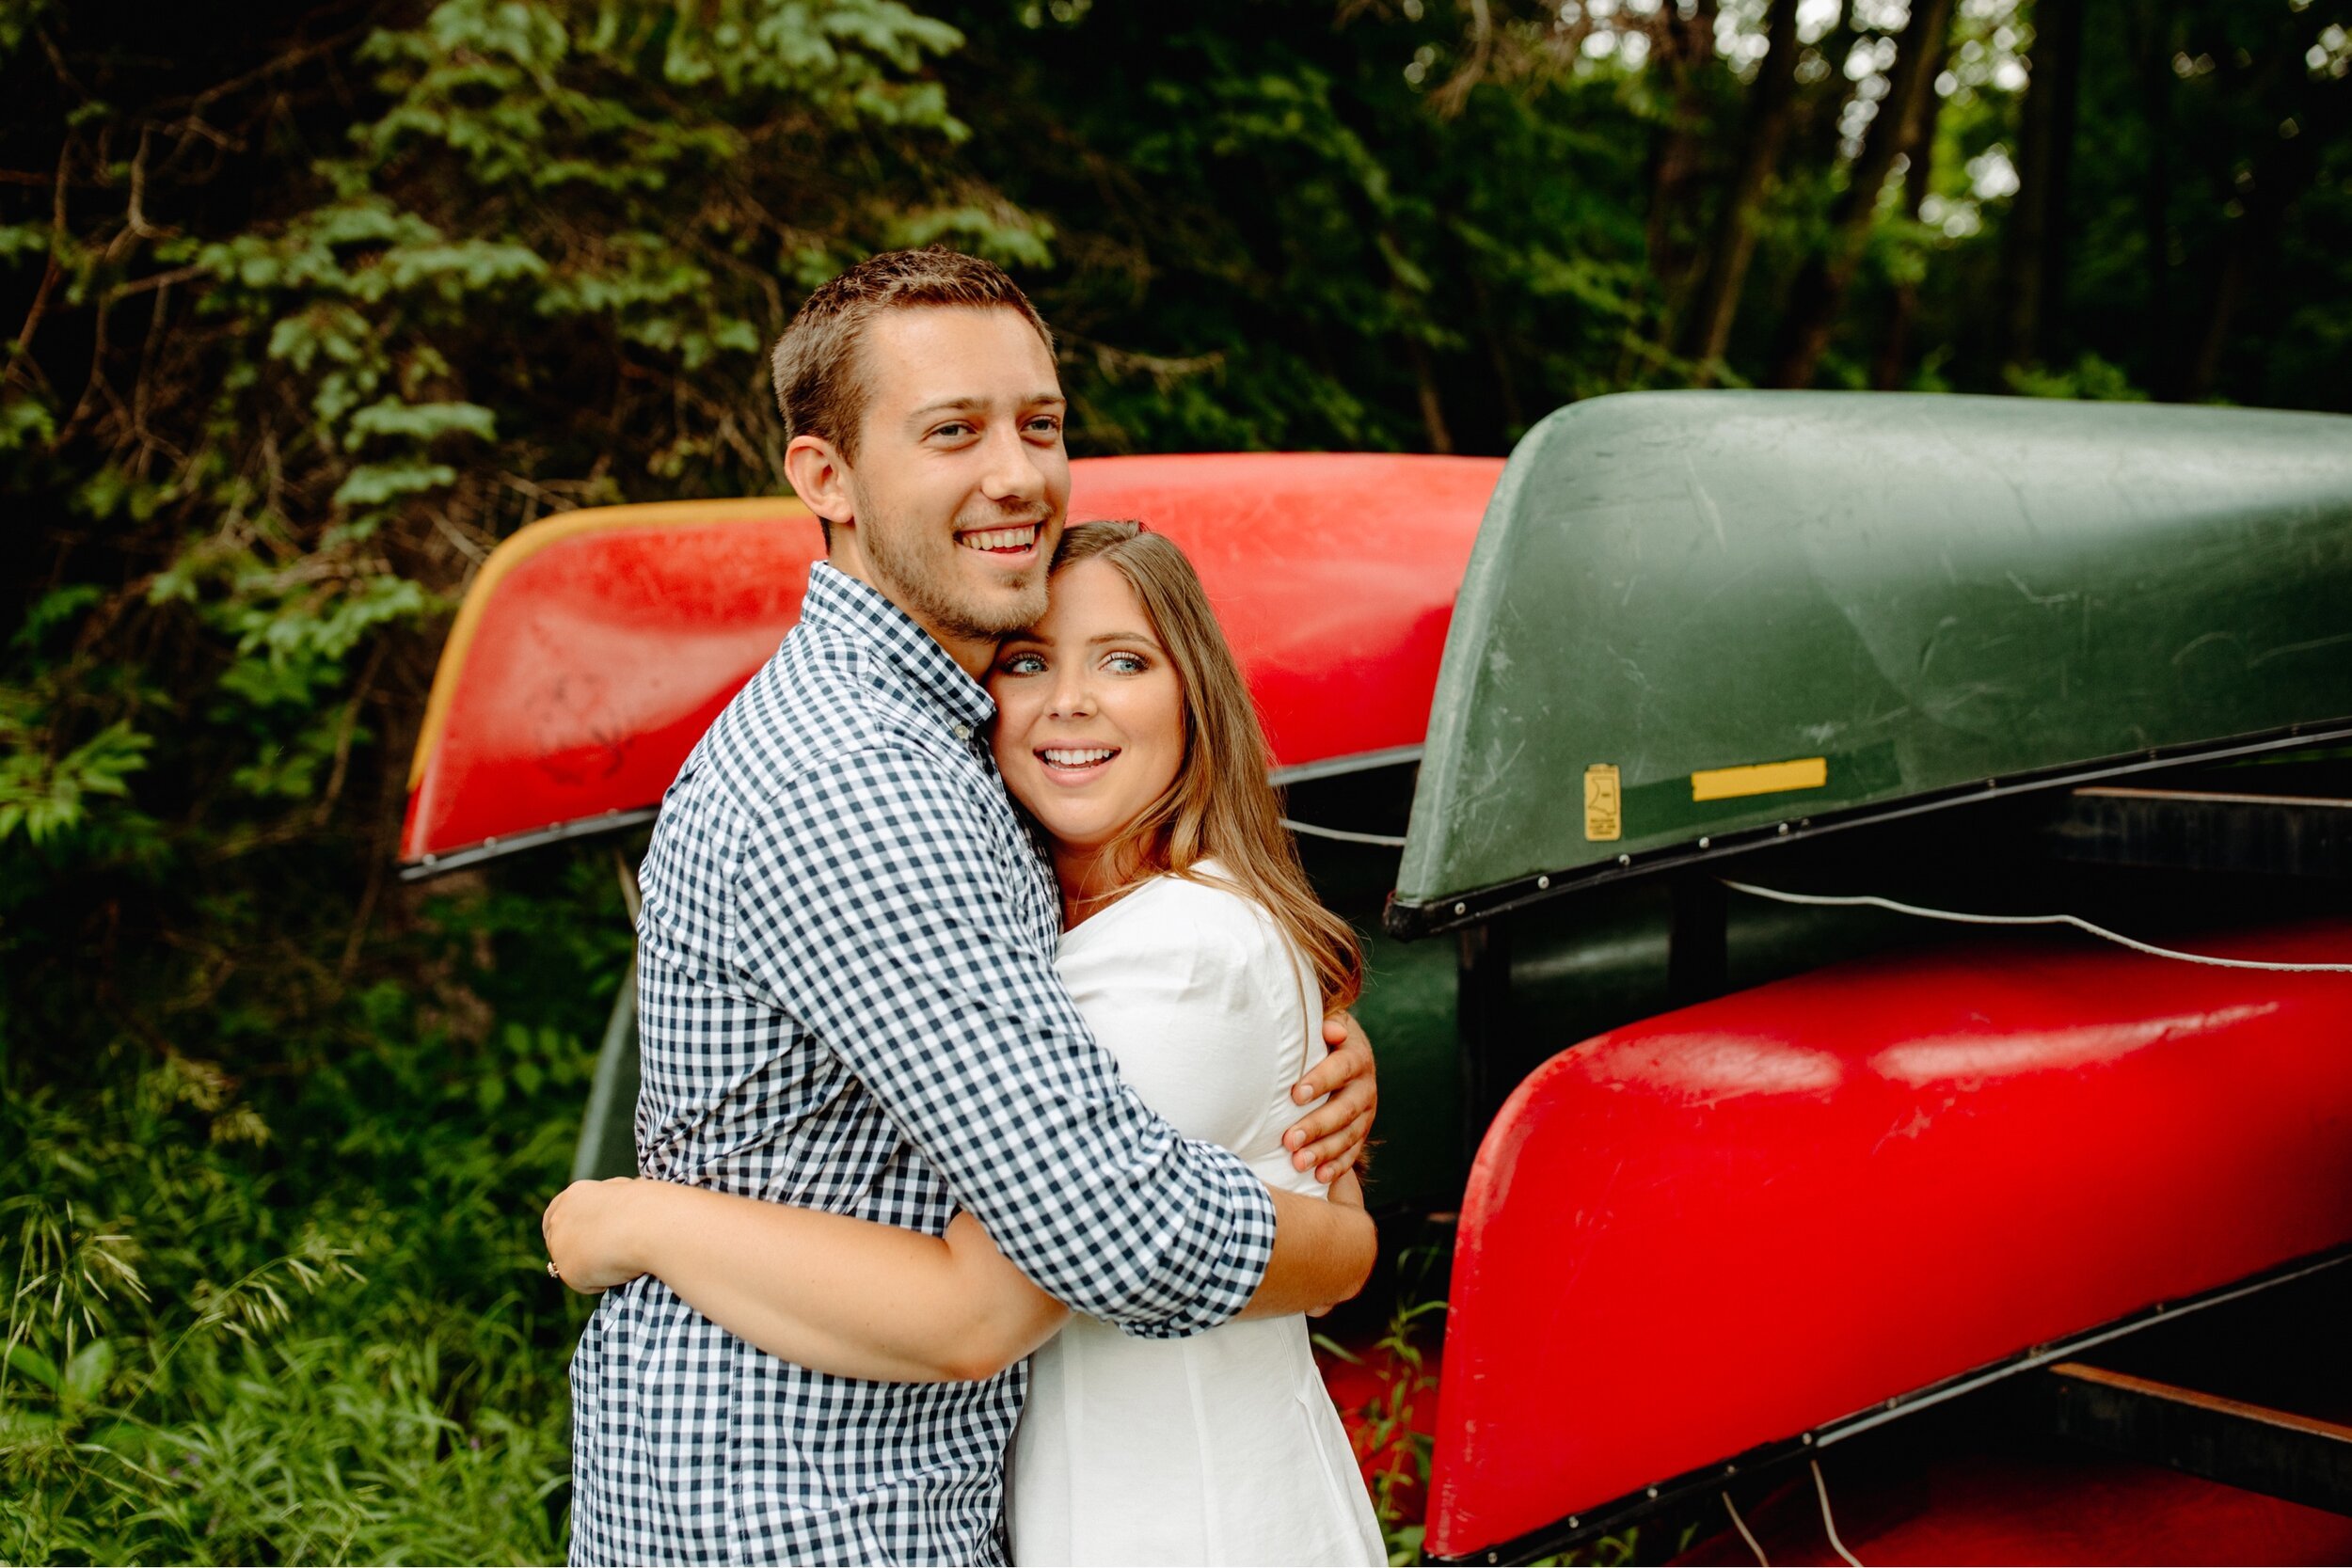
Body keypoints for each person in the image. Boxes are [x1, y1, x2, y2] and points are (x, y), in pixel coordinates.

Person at [555, 247, 1380, 1566]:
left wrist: (1277, 1064)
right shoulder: (862, 779)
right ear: (823, 478)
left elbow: (1085, 999)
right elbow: (1091, 1231)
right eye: (953, 431)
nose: (1016, 474)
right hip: (798, 1505)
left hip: (876, 1484)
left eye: (1039, 425)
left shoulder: (952, 741)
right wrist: (1339, 1245)